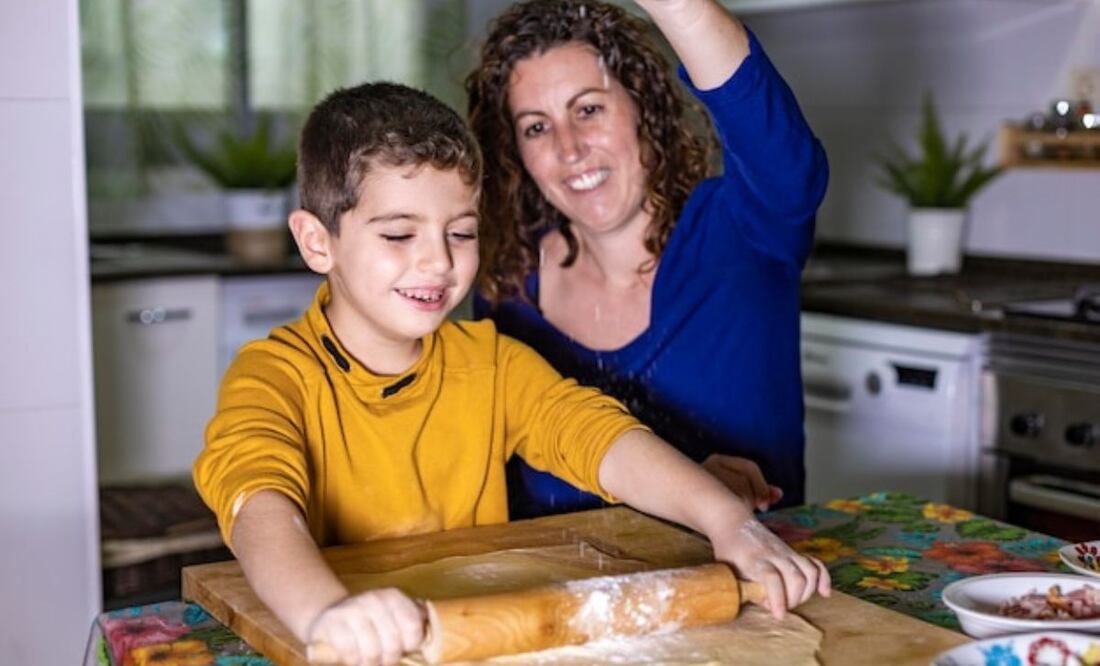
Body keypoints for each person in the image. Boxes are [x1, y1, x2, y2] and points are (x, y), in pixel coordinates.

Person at [193, 81, 829, 666]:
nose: (437, 262)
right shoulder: (273, 378)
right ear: (316, 242)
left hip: (480, 643)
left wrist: (726, 521)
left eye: (461, 232)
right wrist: (327, 613)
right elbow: (259, 505)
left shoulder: (490, 363)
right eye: (398, 235)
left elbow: (596, 437)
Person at [467, 0, 827, 519]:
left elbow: (789, 161)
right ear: (516, 152)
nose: (569, 148)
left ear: (642, 106)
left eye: (588, 109)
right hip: (557, 591)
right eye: (536, 128)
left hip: (746, 592)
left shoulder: (742, 234)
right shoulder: (509, 281)